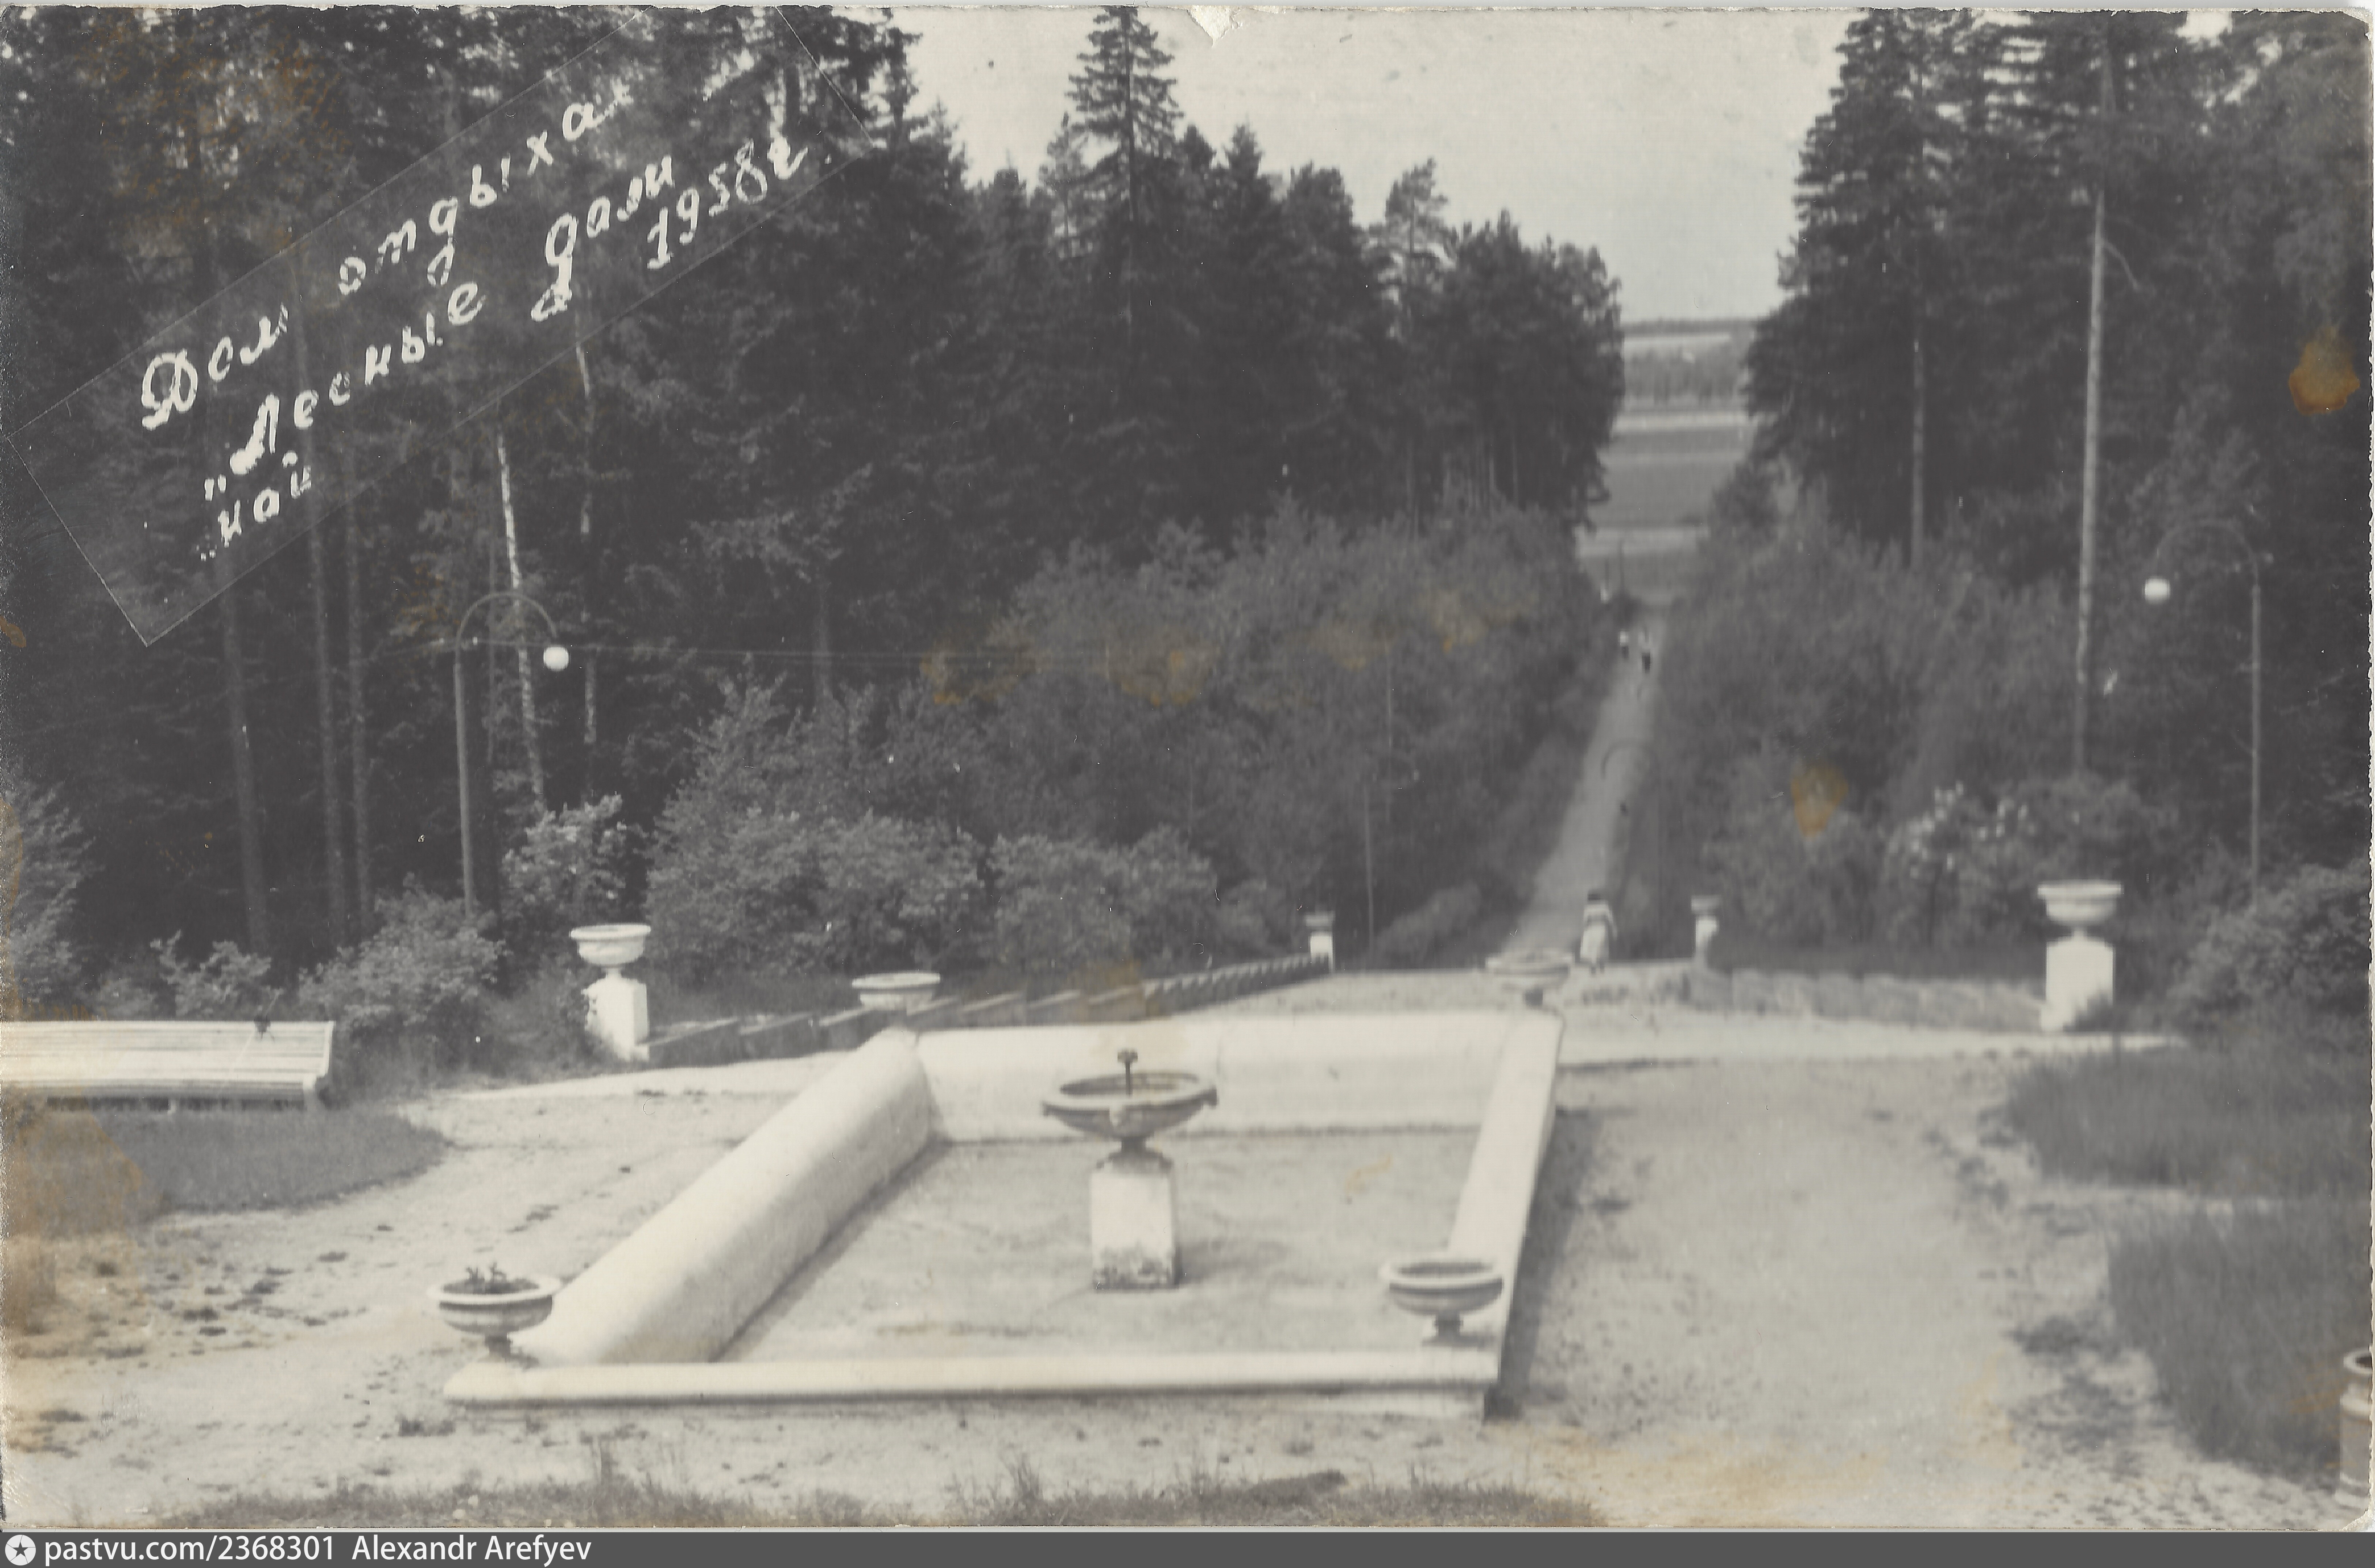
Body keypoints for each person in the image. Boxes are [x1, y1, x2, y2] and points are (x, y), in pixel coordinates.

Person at [1578, 888, 1618, 975]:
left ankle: (1593, 965)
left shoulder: (1589, 908)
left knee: (1592, 948)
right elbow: (1610, 919)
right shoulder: (1604, 906)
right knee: (1602, 947)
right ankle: (1601, 965)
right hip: (1602, 928)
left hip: (1591, 929)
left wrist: (1583, 932)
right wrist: (1614, 930)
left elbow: (1585, 921)